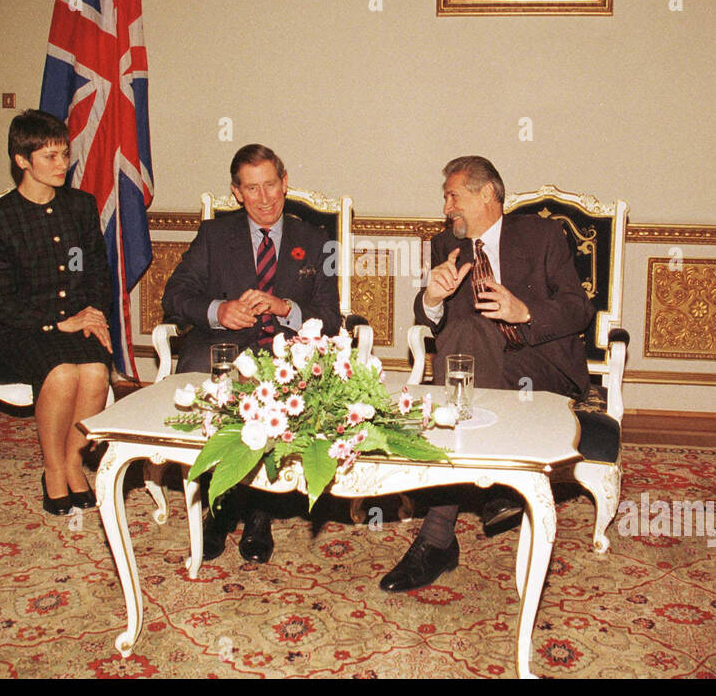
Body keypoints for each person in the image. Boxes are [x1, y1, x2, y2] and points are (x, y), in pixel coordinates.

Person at [380, 155, 594, 592]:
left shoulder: (541, 235)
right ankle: (483, 494)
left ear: (487, 194)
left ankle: (438, 538)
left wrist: (525, 310)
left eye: (452, 196)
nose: (446, 209)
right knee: (464, 330)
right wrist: (434, 300)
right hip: (475, 362)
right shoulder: (446, 245)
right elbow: (432, 317)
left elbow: (579, 307)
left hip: (540, 364)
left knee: (465, 344)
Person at [162, 144, 342, 562]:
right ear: (237, 192)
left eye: (272, 186)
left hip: (287, 354)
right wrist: (218, 311)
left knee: (278, 386)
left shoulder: (315, 240)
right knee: (201, 372)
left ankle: (260, 513)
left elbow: (331, 319)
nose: (265, 199)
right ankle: (218, 506)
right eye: (253, 189)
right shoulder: (214, 236)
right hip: (223, 347)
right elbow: (174, 296)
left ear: (285, 183)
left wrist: (285, 308)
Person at [0, 109, 113, 516]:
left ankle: (73, 462)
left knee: (96, 372)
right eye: (50, 157)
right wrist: (56, 322)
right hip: (21, 329)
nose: (62, 165)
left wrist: (93, 313)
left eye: (65, 154)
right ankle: (52, 469)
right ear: (21, 161)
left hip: (77, 320)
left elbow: (97, 273)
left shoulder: (81, 207)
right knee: (64, 373)